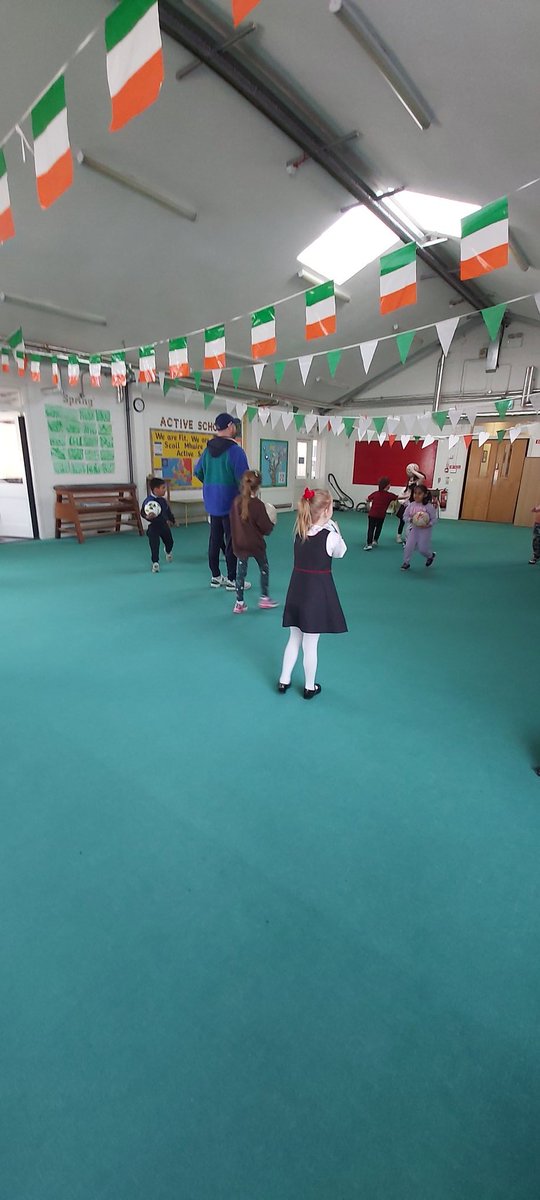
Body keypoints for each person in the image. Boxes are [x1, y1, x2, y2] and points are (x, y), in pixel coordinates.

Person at [279, 488, 347, 699]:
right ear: (326, 510)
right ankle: (310, 686)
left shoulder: (299, 531)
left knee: (294, 638)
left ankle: (284, 679)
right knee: (311, 643)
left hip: (297, 588)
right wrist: (335, 529)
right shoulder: (331, 536)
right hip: (316, 593)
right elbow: (341, 552)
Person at [194, 412, 249, 589]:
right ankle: (233, 579)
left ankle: (216, 576)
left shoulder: (207, 451)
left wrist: (211, 485)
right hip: (231, 502)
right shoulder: (236, 451)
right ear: (231, 426)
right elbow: (244, 480)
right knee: (232, 539)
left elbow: (198, 472)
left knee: (215, 538)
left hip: (212, 501)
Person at [229, 470, 278, 614]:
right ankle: (264, 598)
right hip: (256, 544)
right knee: (264, 568)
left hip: (239, 543)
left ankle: (239, 603)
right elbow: (266, 528)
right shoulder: (258, 505)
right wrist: (272, 523)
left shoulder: (236, 502)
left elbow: (232, 523)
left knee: (240, 574)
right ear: (258, 487)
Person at [140, 478, 176, 573]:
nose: (165, 490)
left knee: (170, 542)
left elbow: (168, 512)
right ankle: (155, 563)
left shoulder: (163, 501)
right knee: (154, 545)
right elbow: (142, 512)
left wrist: (172, 520)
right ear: (156, 490)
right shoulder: (148, 501)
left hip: (164, 526)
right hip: (154, 527)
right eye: (163, 488)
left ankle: (168, 551)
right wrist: (147, 516)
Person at [401, 483, 438, 571]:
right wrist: (410, 519)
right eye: (415, 493)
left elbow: (435, 519)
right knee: (408, 546)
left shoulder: (428, 507)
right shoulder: (411, 505)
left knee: (422, 549)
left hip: (425, 531)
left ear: (425, 495)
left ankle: (430, 556)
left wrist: (428, 524)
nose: (416, 495)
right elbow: (405, 516)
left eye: (419, 493)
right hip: (414, 529)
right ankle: (406, 562)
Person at [364, 477, 398, 550]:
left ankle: (369, 544)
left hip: (372, 514)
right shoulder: (389, 495)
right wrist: (408, 496)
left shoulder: (375, 493)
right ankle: (375, 540)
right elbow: (398, 498)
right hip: (381, 515)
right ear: (387, 486)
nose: (390, 485)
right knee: (379, 528)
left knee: (371, 528)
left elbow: (367, 499)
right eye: (389, 484)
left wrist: (368, 505)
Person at [396, 463, 426, 543]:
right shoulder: (408, 484)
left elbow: (422, 477)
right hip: (406, 504)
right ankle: (399, 536)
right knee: (402, 521)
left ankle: (411, 538)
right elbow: (403, 495)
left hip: (414, 505)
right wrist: (404, 501)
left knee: (413, 522)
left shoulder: (417, 484)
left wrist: (413, 470)